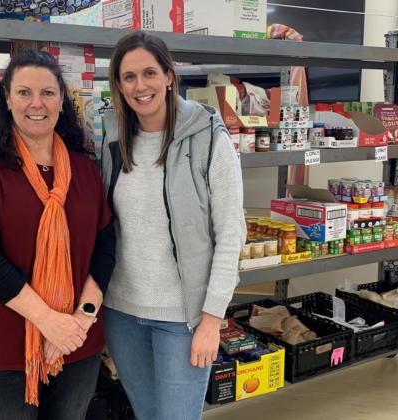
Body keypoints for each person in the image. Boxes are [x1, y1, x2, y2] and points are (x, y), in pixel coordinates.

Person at [0, 49, 115, 420]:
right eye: (24, 93)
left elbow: (105, 247)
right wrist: (49, 321)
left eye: (47, 93)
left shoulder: (84, 170)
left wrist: (80, 320)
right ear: (6, 99)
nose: (36, 104)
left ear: (60, 101)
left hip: (75, 344)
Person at [101, 31, 246, 420]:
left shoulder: (208, 139)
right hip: (121, 313)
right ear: (118, 84)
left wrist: (212, 320)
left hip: (182, 319)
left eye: (149, 73)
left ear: (169, 75)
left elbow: (231, 234)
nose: (140, 86)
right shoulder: (112, 137)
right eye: (128, 77)